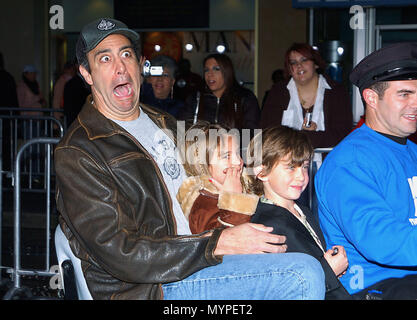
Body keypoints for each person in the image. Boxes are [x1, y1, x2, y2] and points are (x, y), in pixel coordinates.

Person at [54, 17, 326, 300]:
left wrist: (263, 181)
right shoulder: (78, 152)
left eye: (126, 55)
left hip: (198, 259)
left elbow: (209, 173)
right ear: (86, 73)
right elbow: (121, 252)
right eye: (105, 59)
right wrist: (216, 243)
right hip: (152, 287)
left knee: (292, 240)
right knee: (301, 274)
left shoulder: (162, 122)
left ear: (140, 63)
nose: (120, 67)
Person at [315, 42, 417, 300]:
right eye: (404, 94)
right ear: (371, 98)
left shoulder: (411, 151)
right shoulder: (350, 161)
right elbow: (381, 241)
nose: (415, 104)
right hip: (374, 287)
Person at [247, 126, 351, 300]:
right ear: (261, 171)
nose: (301, 176)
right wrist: (329, 271)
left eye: (304, 167)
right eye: (290, 167)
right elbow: (282, 288)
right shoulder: (266, 225)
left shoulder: (302, 211)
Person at [260, 43, 353, 212]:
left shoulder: (336, 92)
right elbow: (267, 134)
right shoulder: (278, 92)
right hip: (285, 170)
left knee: (323, 219)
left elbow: (343, 135)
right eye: (293, 62)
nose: (299, 66)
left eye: (304, 60)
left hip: (328, 170)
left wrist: (301, 138)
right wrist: (311, 137)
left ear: (316, 63)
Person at [177, 121, 258, 234]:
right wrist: (234, 198)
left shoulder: (249, 183)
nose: (238, 161)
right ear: (200, 163)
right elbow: (217, 242)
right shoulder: (202, 200)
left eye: (237, 153)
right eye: (226, 156)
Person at [178, 53, 260, 131]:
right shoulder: (195, 99)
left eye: (216, 69)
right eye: (206, 70)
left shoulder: (245, 98)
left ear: (227, 71)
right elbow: (181, 129)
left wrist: (229, 139)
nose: (210, 74)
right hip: (200, 145)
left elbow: (253, 133)